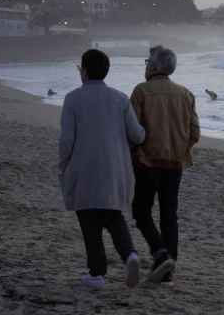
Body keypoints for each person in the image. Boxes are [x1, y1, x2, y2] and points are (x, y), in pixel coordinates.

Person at [59, 49, 146, 289]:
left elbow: (66, 140)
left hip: (83, 168)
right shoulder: (120, 99)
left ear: (83, 71)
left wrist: (62, 165)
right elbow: (137, 135)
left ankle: (97, 274)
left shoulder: (72, 99)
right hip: (115, 168)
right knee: (113, 215)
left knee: (89, 221)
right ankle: (130, 255)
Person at [130, 45, 200, 283]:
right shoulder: (186, 94)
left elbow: (133, 131)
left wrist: (138, 152)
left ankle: (160, 253)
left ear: (156, 66)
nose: (146, 64)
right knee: (169, 215)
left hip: (147, 162)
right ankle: (168, 271)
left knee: (141, 211)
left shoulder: (141, 91)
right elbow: (195, 133)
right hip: (175, 164)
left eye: (148, 60)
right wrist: (181, 150)